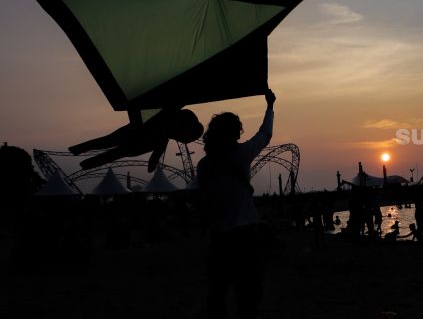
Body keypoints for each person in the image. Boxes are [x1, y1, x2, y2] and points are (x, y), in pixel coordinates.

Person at [197, 89, 276, 319]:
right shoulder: (242, 154)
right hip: (245, 235)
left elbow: (204, 200)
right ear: (235, 134)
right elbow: (265, 134)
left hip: (219, 237)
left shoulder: (204, 166)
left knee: (218, 294)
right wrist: (270, 106)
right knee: (248, 294)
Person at [69, 107, 203, 172]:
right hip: (133, 144)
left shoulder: (161, 121)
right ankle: (86, 161)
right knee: (112, 152)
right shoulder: (162, 139)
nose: (180, 141)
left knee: (108, 142)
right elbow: (153, 161)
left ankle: (80, 150)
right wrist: (152, 166)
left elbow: (154, 159)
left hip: (131, 131)